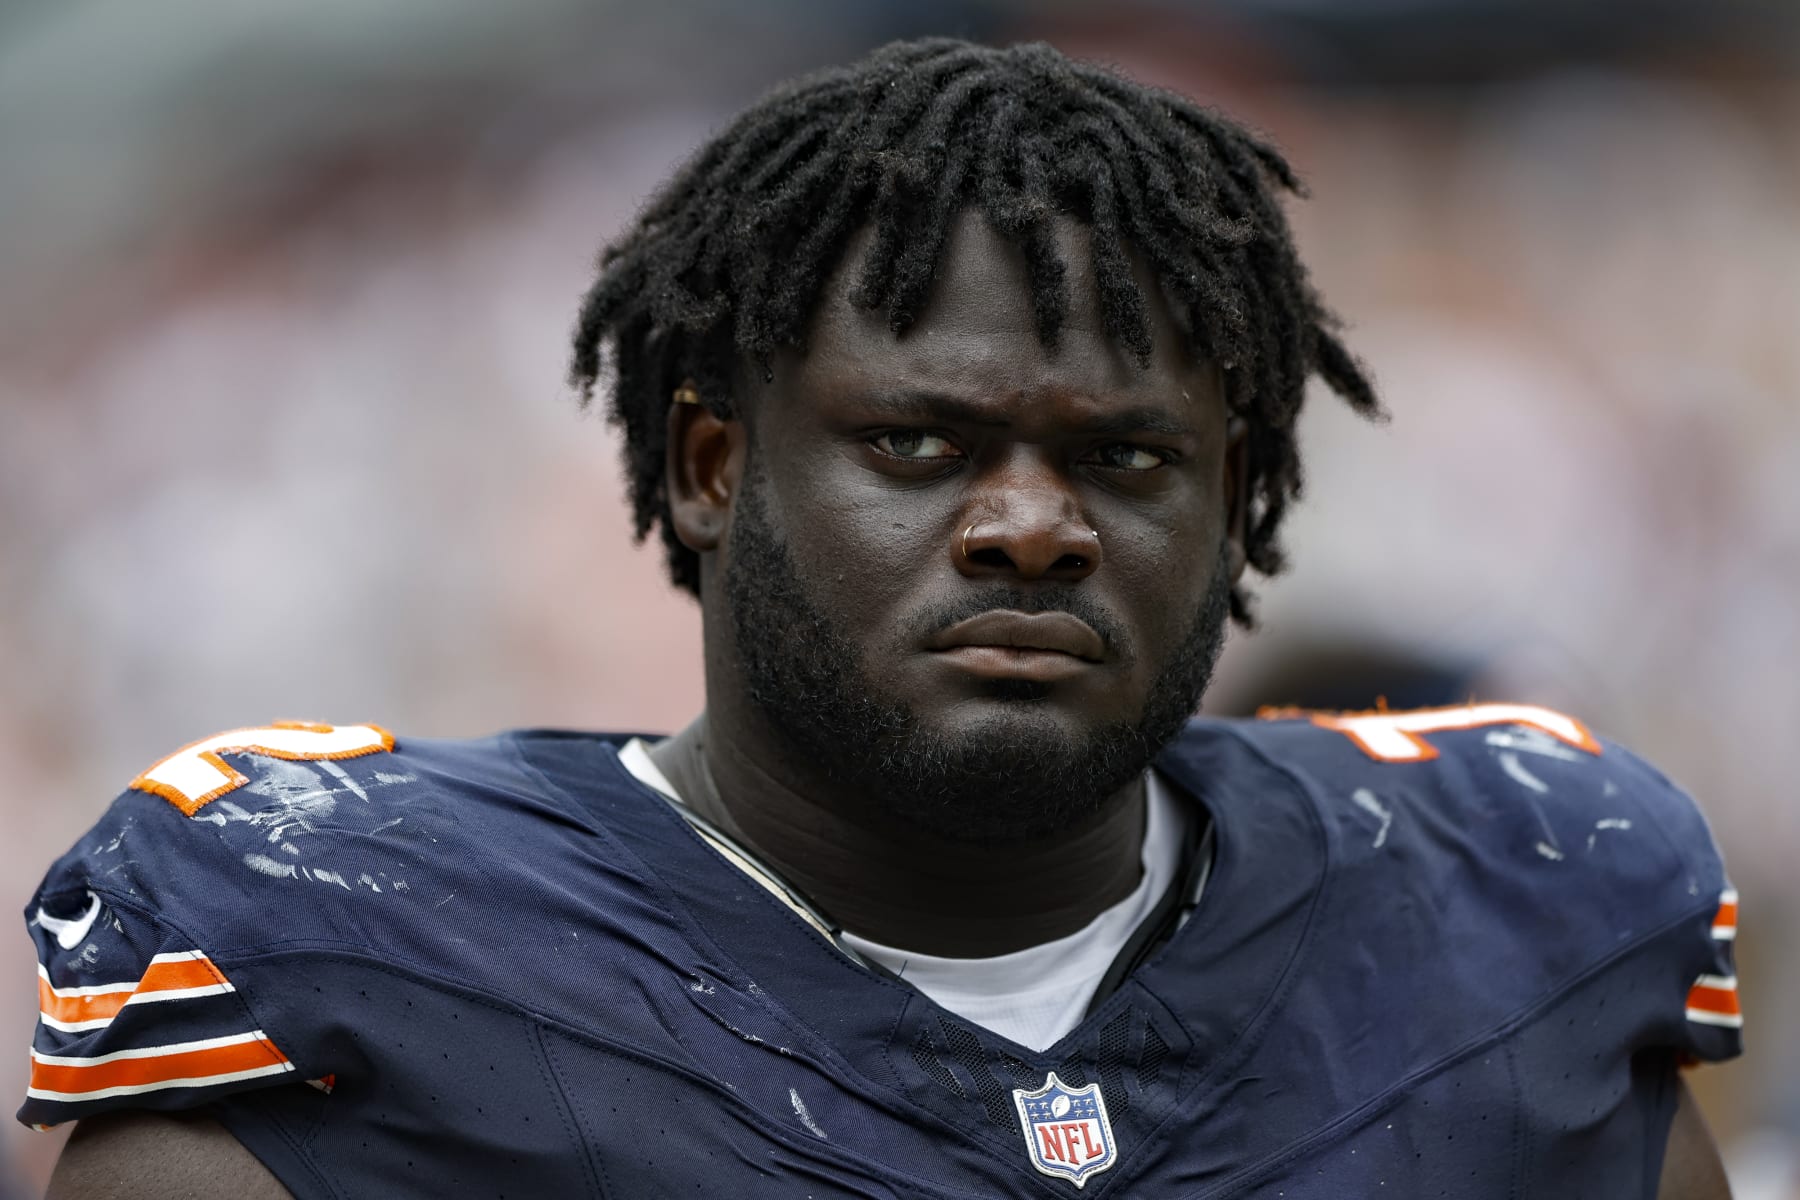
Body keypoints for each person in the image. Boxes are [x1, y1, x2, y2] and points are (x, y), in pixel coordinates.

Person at [24, 38, 1739, 1198]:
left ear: (1237, 509)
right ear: (711, 465)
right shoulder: (339, 943)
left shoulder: (1522, 916)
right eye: (920, 443)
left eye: (1127, 458)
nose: (1029, 528)